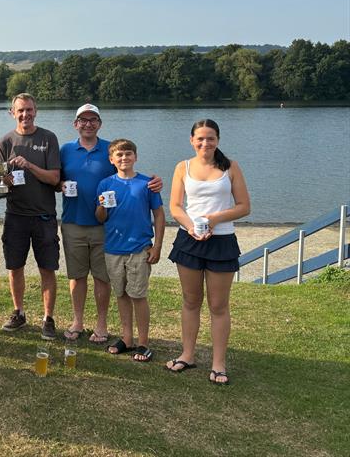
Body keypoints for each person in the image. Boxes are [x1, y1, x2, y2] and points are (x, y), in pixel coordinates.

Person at [59, 104, 162, 344]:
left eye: (93, 119)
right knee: (76, 276)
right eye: (82, 120)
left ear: (99, 123)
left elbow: (128, 174)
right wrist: (59, 186)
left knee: (103, 277)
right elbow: (56, 179)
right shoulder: (65, 150)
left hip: (105, 228)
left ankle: (102, 324)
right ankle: (77, 321)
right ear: (75, 124)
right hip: (73, 221)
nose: (87, 124)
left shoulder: (110, 149)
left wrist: (154, 182)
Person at [165, 119, 250, 385]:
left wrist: (214, 220)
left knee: (218, 305)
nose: (205, 143)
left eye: (210, 138)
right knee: (191, 301)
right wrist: (191, 227)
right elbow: (176, 207)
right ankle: (187, 355)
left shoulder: (230, 167)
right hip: (189, 240)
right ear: (192, 140)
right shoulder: (183, 167)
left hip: (222, 241)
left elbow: (244, 206)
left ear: (218, 140)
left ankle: (218, 364)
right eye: (200, 139)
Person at [0, 93, 61, 340]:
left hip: (44, 216)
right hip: (15, 216)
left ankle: (48, 318)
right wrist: (6, 181)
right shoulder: (5, 142)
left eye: (29, 110)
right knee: (15, 267)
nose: (25, 115)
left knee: (47, 268)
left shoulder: (48, 138)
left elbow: (55, 179)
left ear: (36, 111)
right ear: (12, 113)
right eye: (20, 110)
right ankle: (19, 313)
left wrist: (30, 166)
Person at [95, 139, 165, 362]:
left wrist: (157, 246)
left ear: (135, 157)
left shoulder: (147, 184)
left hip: (139, 248)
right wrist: (101, 206)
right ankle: (126, 338)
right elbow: (100, 218)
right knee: (121, 294)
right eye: (119, 155)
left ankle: (143, 342)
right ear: (111, 160)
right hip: (113, 248)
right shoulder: (105, 184)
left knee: (138, 295)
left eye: (128, 154)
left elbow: (159, 215)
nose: (124, 158)